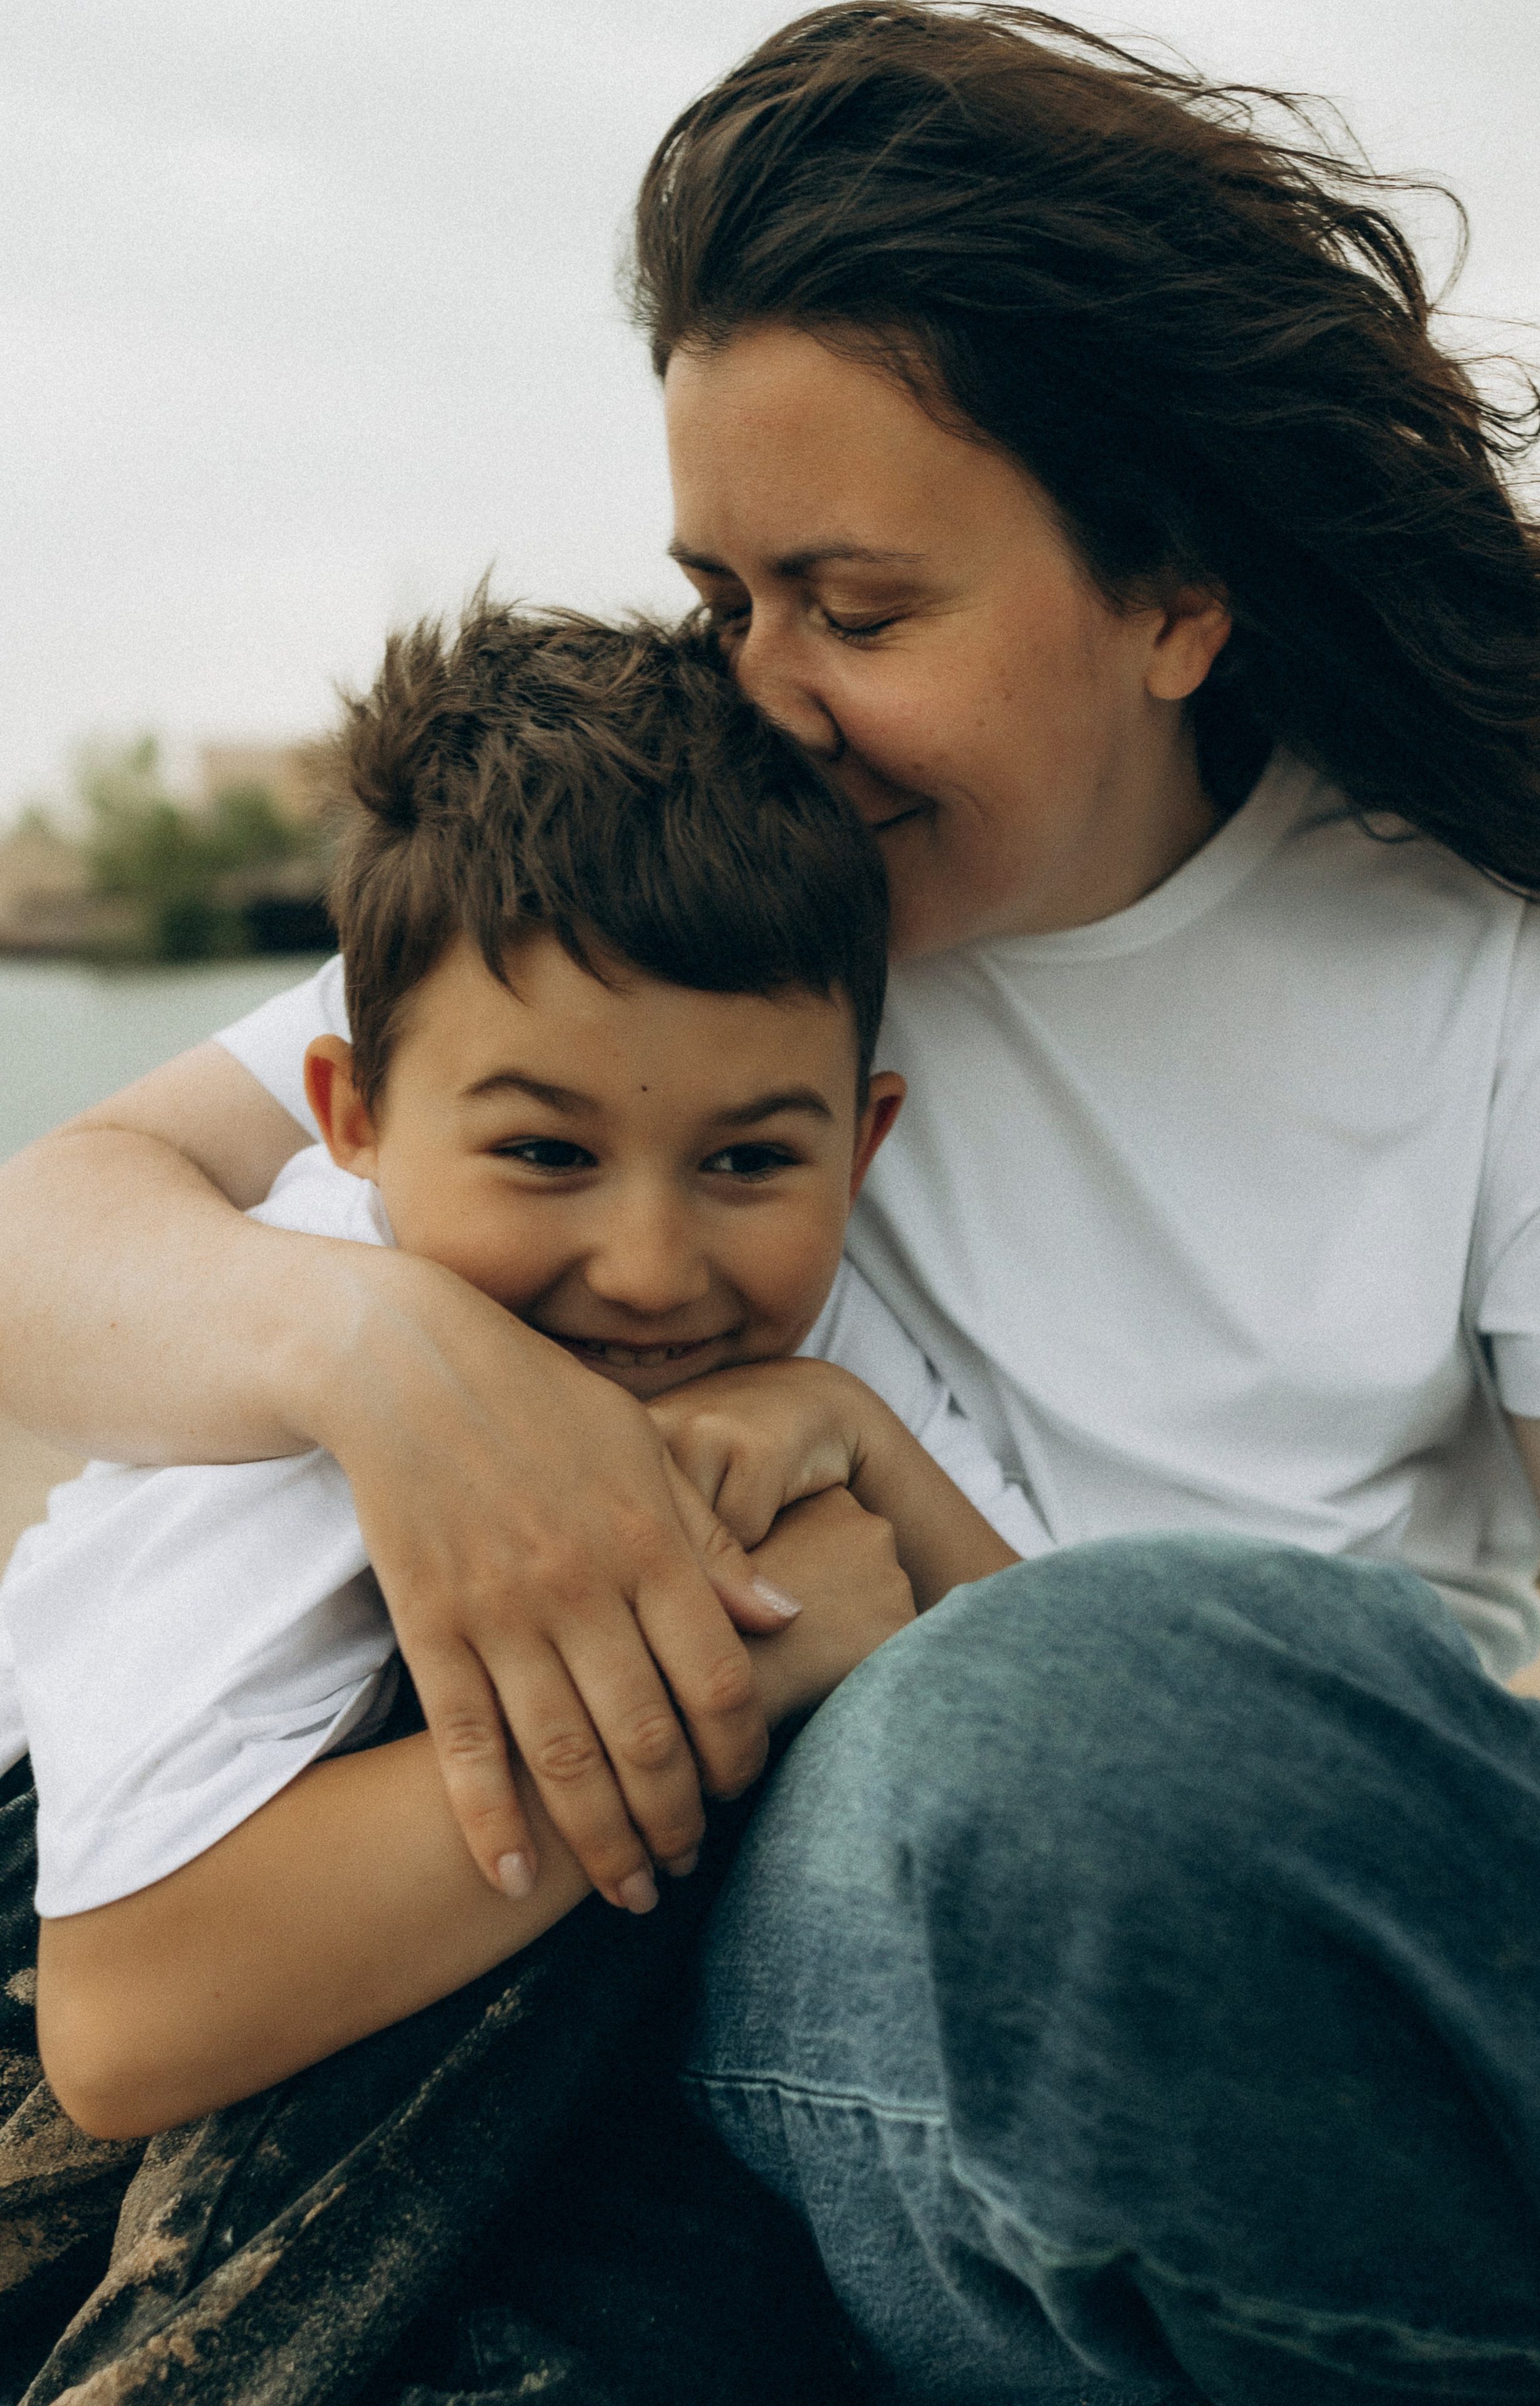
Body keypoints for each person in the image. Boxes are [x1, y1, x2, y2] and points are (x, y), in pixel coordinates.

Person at [2, 4, 1540, 2400]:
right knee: (1006, 1739)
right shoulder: (708, 920)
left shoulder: (1503, 968)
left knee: (1121, 1710)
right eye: (722, 592)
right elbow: (62, 1227)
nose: (761, 690)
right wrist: (393, 1358)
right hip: (809, 1981)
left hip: (1264, 1954)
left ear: (1173, 595)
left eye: (857, 611)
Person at [3, 600, 1046, 2130]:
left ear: (863, 1142)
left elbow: (1052, 1705)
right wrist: (742, 1670)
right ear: (349, 1118)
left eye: (748, 1159)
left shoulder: (808, 1353)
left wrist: (863, 1445)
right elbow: (122, 2022)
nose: (646, 1267)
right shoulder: (302, 1392)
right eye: (546, 1151)